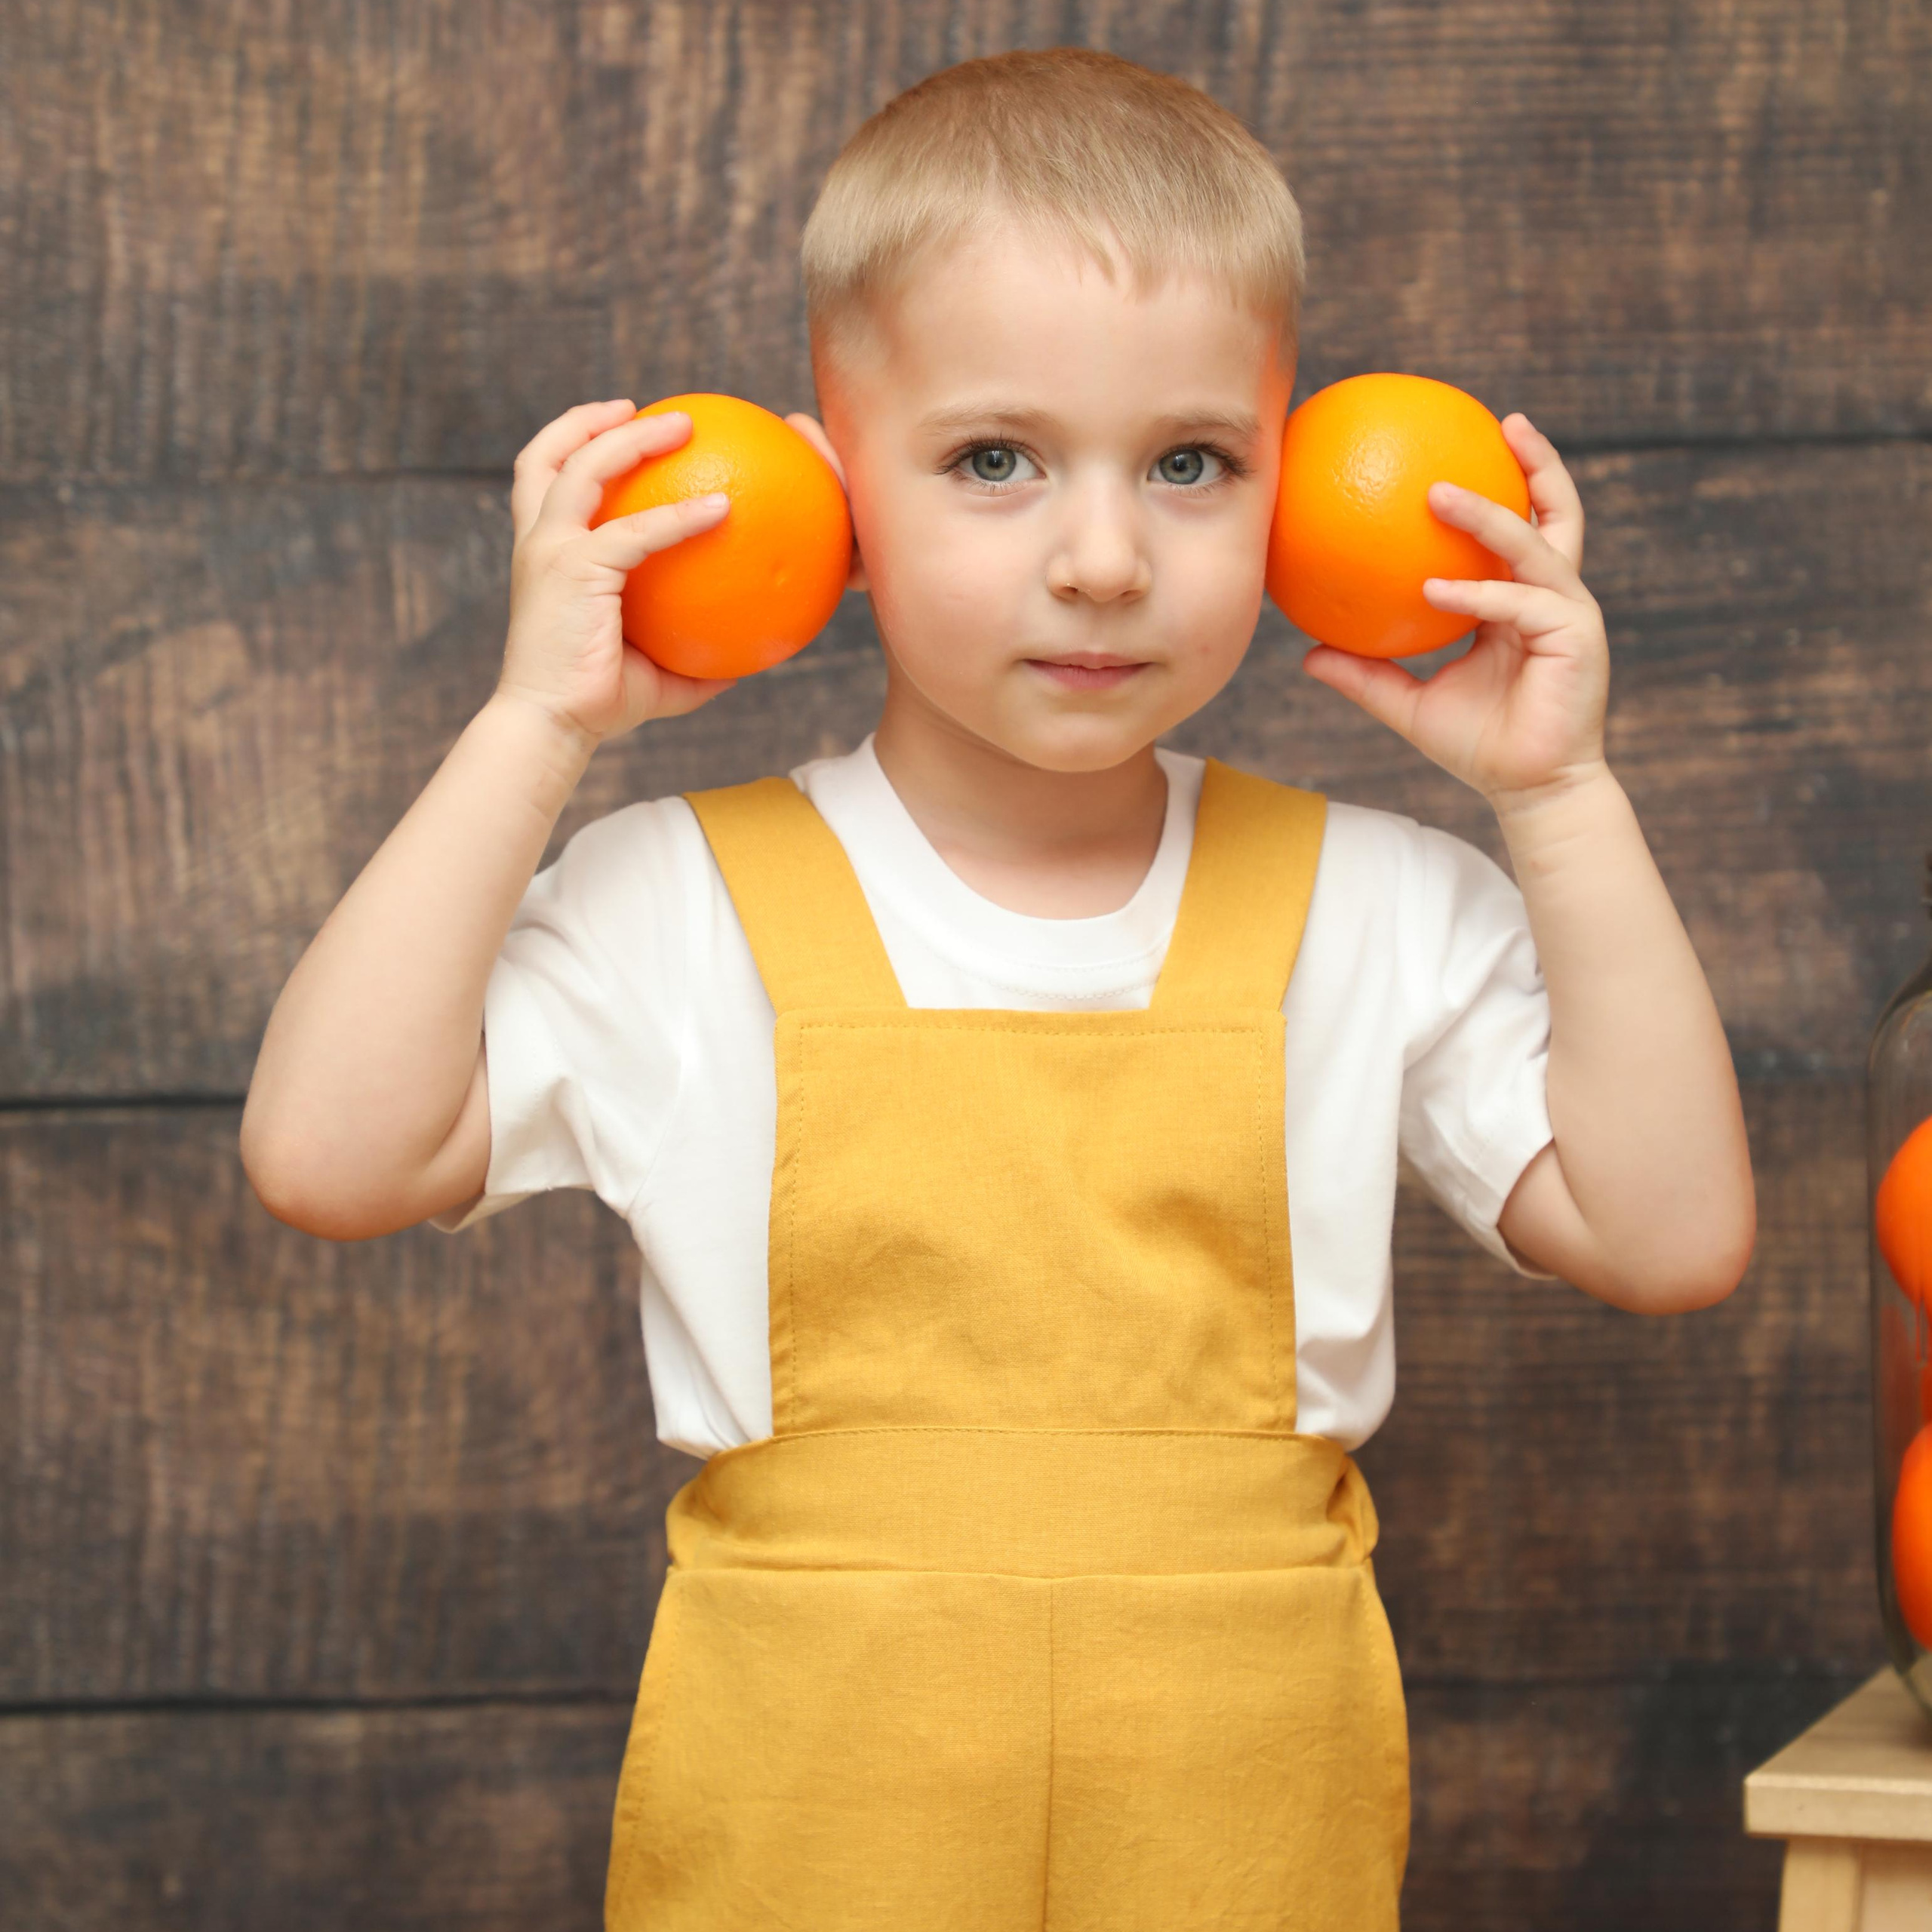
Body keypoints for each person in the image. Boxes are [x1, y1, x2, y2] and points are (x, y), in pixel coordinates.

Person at [239, 45, 1755, 1932]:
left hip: (1244, 1840)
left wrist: (1561, 792)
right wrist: (530, 726)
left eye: (1190, 463)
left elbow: (1672, 1232)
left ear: (1295, 483)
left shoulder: (1373, 904)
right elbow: (325, 1153)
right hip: (801, 1829)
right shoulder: (675, 902)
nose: (1105, 558)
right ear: (829, 489)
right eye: (990, 461)